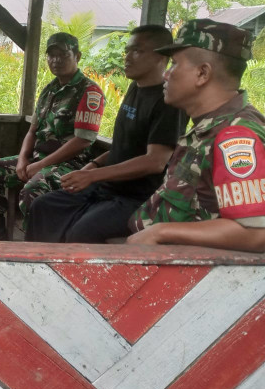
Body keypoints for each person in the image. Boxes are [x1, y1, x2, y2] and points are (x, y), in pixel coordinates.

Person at [25, 25, 185, 243]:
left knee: (80, 233)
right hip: (106, 186)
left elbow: (155, 162)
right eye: (127, 50)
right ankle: (40, 266)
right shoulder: (136, 89)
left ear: (162, 55)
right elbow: (123, 147)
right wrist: (94, 165)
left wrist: (92, 175)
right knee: (43, 206)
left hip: (137, 198)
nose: (127, 57)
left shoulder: (168, 101)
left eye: (137, 51)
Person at [127, 19, 265, 252]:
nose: (166, 75)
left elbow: (254, 232)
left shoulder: (236, 136)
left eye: (174, 64)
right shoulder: (210, 125)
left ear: (202, 73)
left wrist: (160, 232)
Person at [0, 32, 105, 241]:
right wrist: (23, 159)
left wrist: (39, 166)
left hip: (71, 165)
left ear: (77, 56)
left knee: (33, 190)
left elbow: (83, 141)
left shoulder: (89, 91)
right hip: (37, 158)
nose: (56, 60)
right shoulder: (49, 90)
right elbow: (32, 131)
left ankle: (36, 243)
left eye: (63, 54)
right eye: (51, 55)